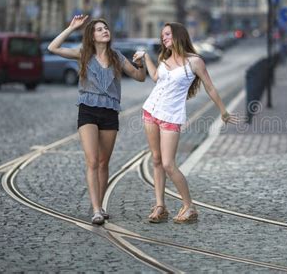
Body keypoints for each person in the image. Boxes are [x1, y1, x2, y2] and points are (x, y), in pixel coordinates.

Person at [132, 22, 238, 224]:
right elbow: (155, 77)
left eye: (167, 34)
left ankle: (189, 207)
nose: (163, 38)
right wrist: (145, 57)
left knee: (168, 164)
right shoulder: (164, 59)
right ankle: (160, 206)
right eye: (162, 35)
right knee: (155, 160)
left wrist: (223, 111)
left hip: (171, 116)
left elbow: (210, 87)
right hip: (151, 111)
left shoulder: (195, 61)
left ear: (179, 35)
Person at [48, 15, 146, 225]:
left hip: (110, 112)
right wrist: (71, 28)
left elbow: (140, 77)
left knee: (103, 162)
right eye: (99, 29)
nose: (104, 31)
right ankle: (95, 210)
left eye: (106, 28)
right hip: (88, 111)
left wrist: (142, 63)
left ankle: (100, 205)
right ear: (92, 36)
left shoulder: (117, 57)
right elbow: (53, 48)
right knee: (92, 160)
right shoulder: (84, 54)